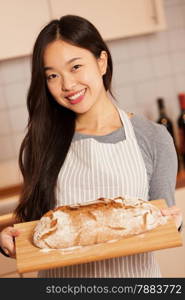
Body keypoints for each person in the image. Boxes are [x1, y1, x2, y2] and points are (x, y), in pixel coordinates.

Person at [0, 15, 182, 278]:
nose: (67, 85)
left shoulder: (153, 138)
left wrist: (175, 222)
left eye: (75, 67)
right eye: (52, 75)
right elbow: (36, 225)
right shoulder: (42, 142)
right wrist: (11, 239)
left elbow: (164, 222)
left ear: (102, 62)